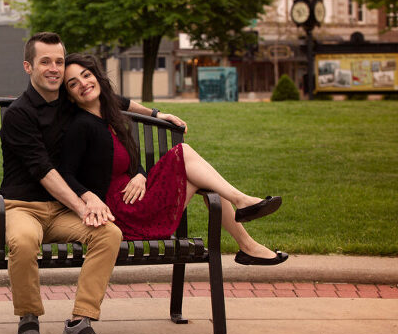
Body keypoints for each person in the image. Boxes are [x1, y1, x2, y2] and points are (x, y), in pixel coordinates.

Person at [0, 32, 182, 334]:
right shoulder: (18, 114)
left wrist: (155, 114)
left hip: (63, 211)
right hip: (24, 206)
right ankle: (28, 319)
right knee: (24, 242)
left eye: (59, 61)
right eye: (46, 62)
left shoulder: (70, 103)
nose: (54, 68)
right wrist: (84, 203)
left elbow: (116, 100)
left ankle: (80, 324)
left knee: (109, 234)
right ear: (28, 66)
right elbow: (43, 170)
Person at [58, 53, 288, 266]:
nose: (83, 84)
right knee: (185, 154)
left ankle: (248, 244)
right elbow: (66, 173)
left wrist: (141, 170)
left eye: (86, 75)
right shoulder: (80, 126)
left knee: (209, 181)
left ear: (97, 76)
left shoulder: (108, 110)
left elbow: (124, 105)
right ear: (69, 95)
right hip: (124, 212)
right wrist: (89, 199)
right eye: (73, 83)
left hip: (136, 195)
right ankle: (243, 204)